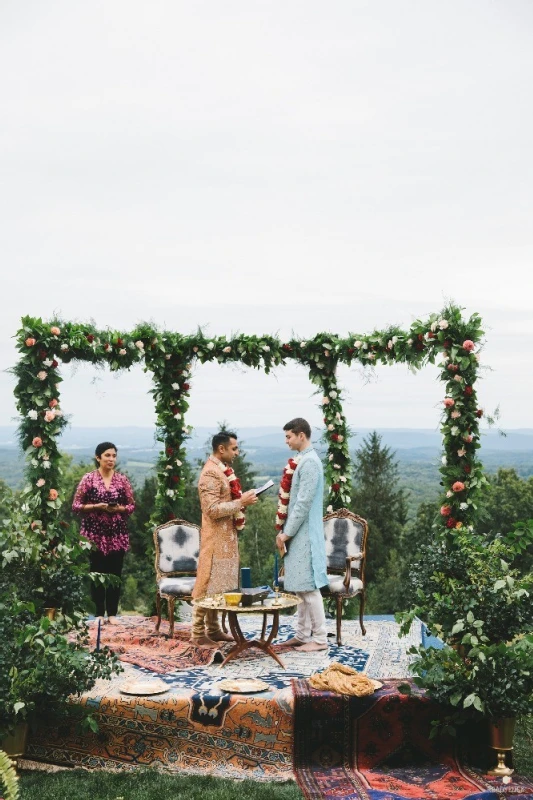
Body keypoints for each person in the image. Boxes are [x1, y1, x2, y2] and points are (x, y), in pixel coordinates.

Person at [191, 431, 258, 647]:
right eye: (234, 448)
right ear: (222, 449)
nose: (237, 452)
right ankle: (197, 632)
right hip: (215, 539)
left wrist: (241, 500)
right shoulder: (210, 474)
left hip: (226, 539)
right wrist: (242, 503)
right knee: (207, 583)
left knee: (220, 586)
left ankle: (214, 629)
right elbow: (211, 510)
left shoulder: (224, 471)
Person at [275, 418, 329, 652]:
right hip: (300, 534)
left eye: (289, 436)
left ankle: (320, 639)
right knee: (300, 587)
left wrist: (286, 533)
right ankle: (301, 634)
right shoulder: (304, 460)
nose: (286, 441)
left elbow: (303, 503)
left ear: (301, 435)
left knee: (309, 588)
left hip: (305, 534)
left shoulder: (309, 463)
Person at [72, 441, 135, 624]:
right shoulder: (88, 479)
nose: (111, 459)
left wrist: (119, 510)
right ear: (98, 457)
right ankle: (99, 613)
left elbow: (131, 506)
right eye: (107, 455)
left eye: (114, 455)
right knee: (97, 574)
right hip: (94, 535)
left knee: (115, 574)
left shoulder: (122, 480)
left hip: (117, 534)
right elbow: (76, 506)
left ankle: (113, 614)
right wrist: (96, 506)